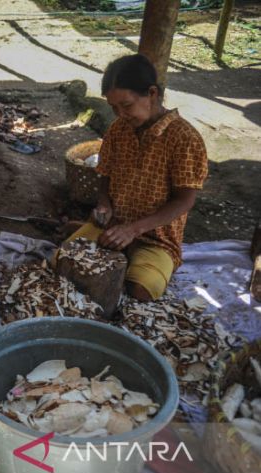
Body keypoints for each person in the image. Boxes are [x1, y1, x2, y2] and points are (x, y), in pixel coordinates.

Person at [63, 54, 208, 302]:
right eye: (113, 108)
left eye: (126, 105)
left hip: (156, 239)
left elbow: (184, 201)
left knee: (141, 291)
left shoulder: (184, 138)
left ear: (152, 93)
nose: (120, 114)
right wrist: (104, 204)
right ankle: (89, 233)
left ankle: (117, 248)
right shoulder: (119, 130)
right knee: (63, 263)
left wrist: (134, 230)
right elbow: (104, 174)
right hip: (112, 227)